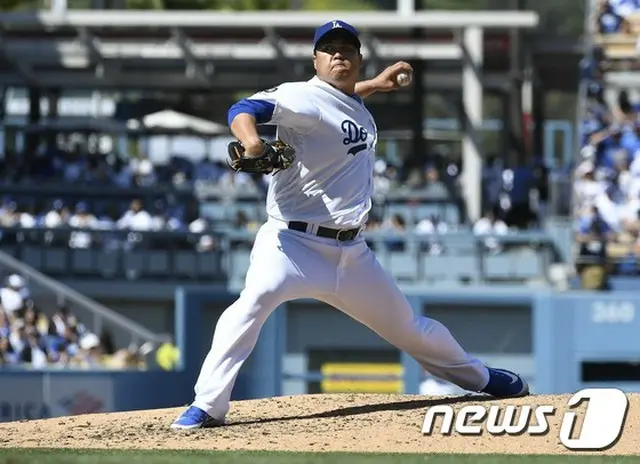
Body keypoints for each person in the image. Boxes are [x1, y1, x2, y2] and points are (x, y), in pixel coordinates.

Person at [171, 20, 529, 430]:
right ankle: (208, 405)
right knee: (249, 306)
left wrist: (374, 84)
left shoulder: (348, 100)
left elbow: (338, 106)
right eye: (329, 48)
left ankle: (480, 378)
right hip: (291, 244)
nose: (338, 53)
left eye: (347, 48)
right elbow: (243, 110)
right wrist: (252, 142)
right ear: (315, 59)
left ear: (358, 59)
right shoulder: (301, 97)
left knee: (409, 328)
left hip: (352, 254)